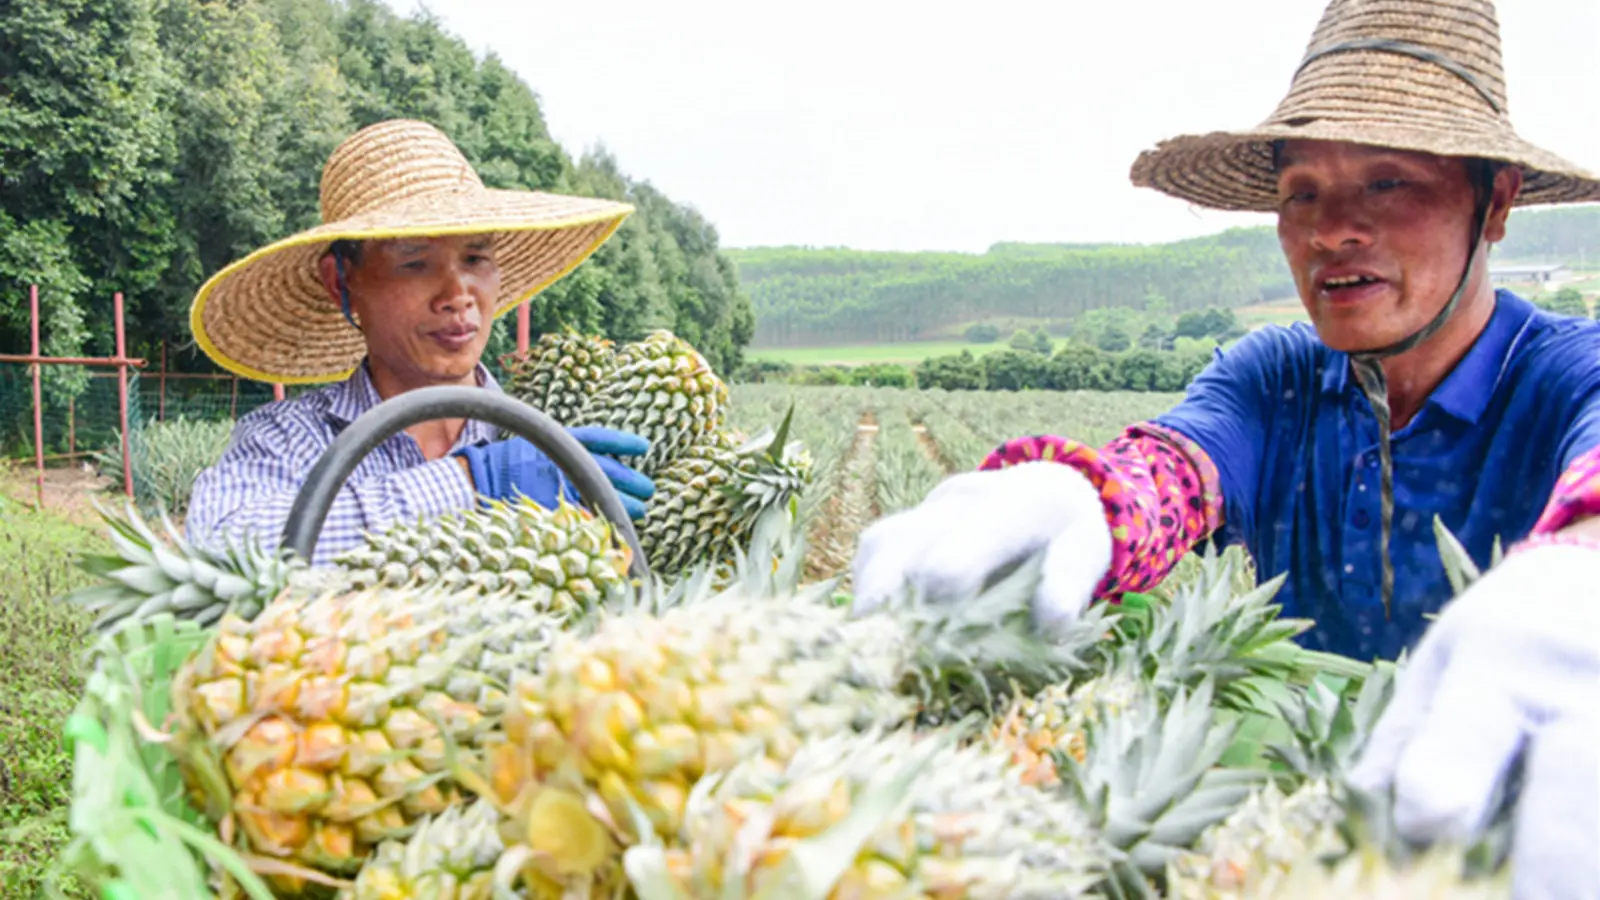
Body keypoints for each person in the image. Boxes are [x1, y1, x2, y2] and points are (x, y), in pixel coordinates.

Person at [852, 0, 1600, 896]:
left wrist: (1579, 561)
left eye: (1388, 182)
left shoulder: (1563, 374)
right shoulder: (1273, 378)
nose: (1331, 232)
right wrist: (1082, 501)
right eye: (1302, 193)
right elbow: (1171, 471)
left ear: (1498, 201)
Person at [184, 119, 656, 565]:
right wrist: (472, 481)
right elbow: (219, 547)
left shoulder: (554, 425)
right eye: (414, 263)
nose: (457, 296)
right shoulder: (290, 440)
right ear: (341, 282)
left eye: (474, 259)